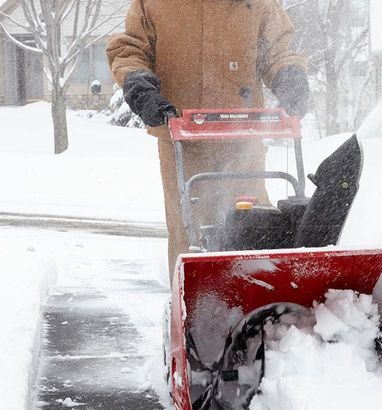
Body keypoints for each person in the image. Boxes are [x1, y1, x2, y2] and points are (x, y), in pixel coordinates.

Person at [107, 0, 309, 281]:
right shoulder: (154, 4)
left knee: (253, 225)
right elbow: (130, 49)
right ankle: (194, 309)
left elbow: (277, 48)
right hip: (183, 142)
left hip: (243, 143)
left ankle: (260, 300)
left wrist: (289, 75)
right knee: (190, 236)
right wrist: (138, 83)